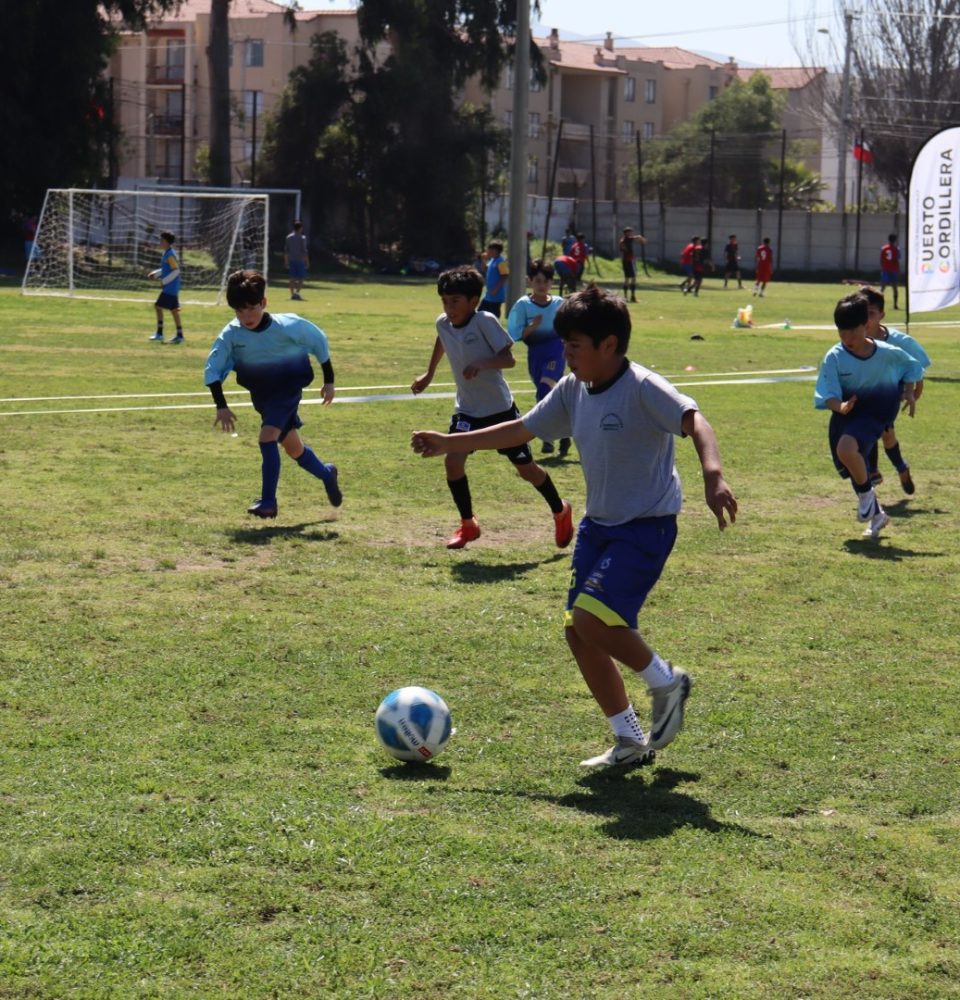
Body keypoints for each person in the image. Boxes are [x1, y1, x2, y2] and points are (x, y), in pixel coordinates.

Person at [412, 284, 738, 769]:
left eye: (574, 347)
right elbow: (521, 429)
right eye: (563, 345)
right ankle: (628, 738)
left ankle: (667, 682)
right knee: (579, 632)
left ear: (609, 345)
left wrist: (713, 477)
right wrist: (451, 440)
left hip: (645, 525)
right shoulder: (574, 389)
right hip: (599, 525)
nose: (565, 355)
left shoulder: (644, 387)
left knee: (590, 619)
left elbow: (696, 420)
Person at [411, 265, 573, 550]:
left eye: (456, 302)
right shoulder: (443, 323)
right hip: (467, 410)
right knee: (453, 461)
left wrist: (482, 363)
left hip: (500, 411)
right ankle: (468, 524)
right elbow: (443, 339)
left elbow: (508, 360)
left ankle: (560, 510)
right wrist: (429, 373)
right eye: (445, 302)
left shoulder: (484, 320)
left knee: (527, 470)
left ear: (474, 301)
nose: (449, 308)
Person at [204, 269, 342, 519]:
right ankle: (327, 473)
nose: (246, 316)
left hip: (288, 390)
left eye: (251, 308)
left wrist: (329, 381)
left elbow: (318, 342)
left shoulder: (288, 325)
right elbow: (213, 368)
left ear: (264, 303)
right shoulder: (232, 335)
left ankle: (269, 502)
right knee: (294, 449)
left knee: (267, 438)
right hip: (263, 398)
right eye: (239, 310)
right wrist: (221, 406)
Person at [814, 293, 922, 539]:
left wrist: (909, 392)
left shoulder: (887, 352)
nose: (847, 339)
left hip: (877, 410)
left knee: (847, 449)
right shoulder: (835, 356)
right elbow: (827, 394)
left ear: (867, 325)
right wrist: (839, 406)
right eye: (842, 333)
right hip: (846, 413)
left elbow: (912, 367)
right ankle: (876, 514)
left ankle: (866, 497)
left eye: (853, 332)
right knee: (852, 463)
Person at [862, 286, 930, 494]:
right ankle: (900, 467)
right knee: (885, 435)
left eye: (871, 313)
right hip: (865, 392)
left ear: (882, 315)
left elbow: (919, 364)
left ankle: (873, 471)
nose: (866, 318)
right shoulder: (854, 338)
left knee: (874, 427)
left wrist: (914, 390)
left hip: (890, 392)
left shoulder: (900, 342)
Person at [507, 259, 571, 457]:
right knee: (547, 396)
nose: (542, 286)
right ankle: (565, 433)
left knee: (545, 389)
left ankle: (547, 438)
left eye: (546, 282)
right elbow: (517, 334)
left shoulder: (560, 304)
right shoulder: (523, 305)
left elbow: (570, 329)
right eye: (538, 281)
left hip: (556, 352)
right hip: (535, 354)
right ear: (530, 281)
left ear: (551, 283)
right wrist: (532, 327)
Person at [148, 231, 184, 344]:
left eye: (162, 240)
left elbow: (176, 270)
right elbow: (166, 269)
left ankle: (159, 334)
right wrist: (156, 273)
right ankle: (180, 335)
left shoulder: (170, 255)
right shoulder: (167, 253)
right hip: (173, 287)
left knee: (158, 306)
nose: (160, 242)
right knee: (174, 311)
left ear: (167, 242)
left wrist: (164, 281)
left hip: (170, 287)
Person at [479, 241, 509, 317]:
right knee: (480, 313)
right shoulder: (492, 260)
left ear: (495, 250)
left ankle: (494, 328)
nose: (487, 251)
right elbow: (485, 268)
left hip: (496, 295)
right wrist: (484, 260)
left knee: (493, 315)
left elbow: (505, 275)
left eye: (489, 249)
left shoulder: (501, 261)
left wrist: (496, 289)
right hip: (489, 294)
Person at [619, 226, 647, 302]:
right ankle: (632, 297)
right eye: (630, 232)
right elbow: (637, 237)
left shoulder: (623, 240)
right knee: (633, 278)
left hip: (625, 261)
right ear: (626, 233)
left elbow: (622, 248)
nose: (631, 233)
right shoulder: (627, 239)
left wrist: (640, 238)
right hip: (629, 261)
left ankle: (625, 297)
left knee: (627, 279)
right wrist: (641, 238)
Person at [284, 221, 309, 301]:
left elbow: (286, 251)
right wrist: (307, 261)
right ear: (300, 228)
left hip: (291, 260)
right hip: (300, 260)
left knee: (292, 278)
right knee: (301, 278)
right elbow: (304, 251)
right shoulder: (303, 238)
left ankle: (292, 294)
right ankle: (297, 293)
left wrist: (286, 261)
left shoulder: (288, 237)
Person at [879, 233, 901, 310]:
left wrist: (882, 268)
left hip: (886, 270)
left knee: (882, 288)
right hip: (894, 270)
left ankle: (878, 305)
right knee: (895, 288)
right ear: (895, 240)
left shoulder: (883, 248)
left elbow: (881, 260)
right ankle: (895, 305)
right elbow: (897, 259)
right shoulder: (896, 249)